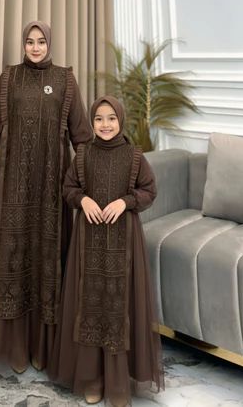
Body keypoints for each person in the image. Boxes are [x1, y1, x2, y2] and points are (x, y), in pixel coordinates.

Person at [0, 21, 93, 373]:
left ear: (49, 43)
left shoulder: (65, 80)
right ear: (23, 44)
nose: (35, 47)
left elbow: (81, 136)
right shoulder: (9, 78)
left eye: (41, 41)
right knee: (13, 261)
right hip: (12, 186)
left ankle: (42, 347)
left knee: (47, 259)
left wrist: (92, 180)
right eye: (30, 41)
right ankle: (14, 348)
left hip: (51, 189)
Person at [47, 96, 164, 406]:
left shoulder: (135, 156)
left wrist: (125, 202)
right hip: (88, 243)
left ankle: (117, 381)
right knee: (90, 304)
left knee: (118, 306)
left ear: (120, 120)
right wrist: (82, 200)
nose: (105, 124)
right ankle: (92, 378)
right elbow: (69, 188)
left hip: (124, 243)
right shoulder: (83, 154)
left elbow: (150, 190)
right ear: (91, 122)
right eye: (98, 118)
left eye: (111, 118)